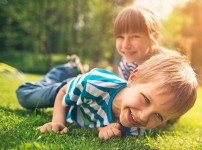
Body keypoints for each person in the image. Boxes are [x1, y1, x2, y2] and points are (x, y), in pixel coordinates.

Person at [15, 5, 168, 110]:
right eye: (120, 37)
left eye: (134, 36)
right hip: (78, 87)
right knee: (25, 94)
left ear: (153, 36)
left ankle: (73, 70)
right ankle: (70, 70)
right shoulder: (129, 60)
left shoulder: (164, 65)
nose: (125, 45)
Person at [38, 51, 198, 140]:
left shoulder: (138, 129)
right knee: (26, 97)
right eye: (146, 99)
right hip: (71, 87)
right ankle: (69, 68)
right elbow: (64, 93)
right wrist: (58, 122)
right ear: (133, 78)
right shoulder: (94, 83)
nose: (143, 116)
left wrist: (103, 129)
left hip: (82, 96)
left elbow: (99, 122)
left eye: (158, 116)